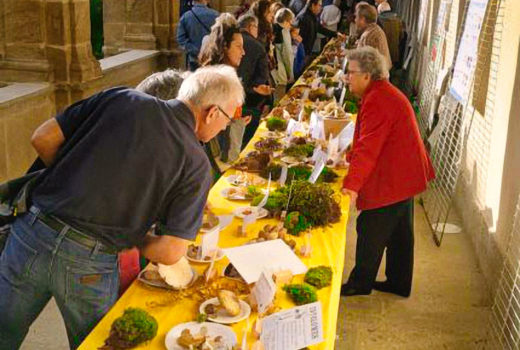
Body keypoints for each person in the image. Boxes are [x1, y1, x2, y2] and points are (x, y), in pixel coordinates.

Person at [0, 65, 243, 349]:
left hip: (32, 232)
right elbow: (170, 251)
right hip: (91, 260)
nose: (226, 126)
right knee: (98, 344)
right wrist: (132, 233)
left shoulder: (122, 98)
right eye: (228, 118)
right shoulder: (196, 163)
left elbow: (42, 138)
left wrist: (76, 179)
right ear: (212, 112)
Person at [339, 47, 435, 297]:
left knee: (371, 226)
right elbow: (370, 140)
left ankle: (360, 283)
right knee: (400, 232)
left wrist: (352, 185)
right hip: (405, 170)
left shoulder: (378, 99)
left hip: (397, 173)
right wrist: (351, 153)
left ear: (367, 75)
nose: (346, 77)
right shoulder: (379, 93)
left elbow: (369, 148)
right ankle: (398, 282)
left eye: (350, 73)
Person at [199, 14, 249, 163]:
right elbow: (207, 124)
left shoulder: (227, 73)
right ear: (224, 47)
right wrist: (233, 122)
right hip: (215, 156)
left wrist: (237, 120)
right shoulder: (214, 80)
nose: (243, 52)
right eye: (238, 47)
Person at [237, 14, 273, 147]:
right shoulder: (257, 46)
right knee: (246, 143)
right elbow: (261, 78)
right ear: (251, 27)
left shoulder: (229, 41)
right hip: (251, 102)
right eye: (256, 27)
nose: (242, 52)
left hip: (233, 101)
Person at [177, 0, 219, 71]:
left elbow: (181, 39)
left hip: (194, 59)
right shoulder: (216, 15)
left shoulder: (186, 16)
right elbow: (221, 36)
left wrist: (196, 51)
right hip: (211, 57)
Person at [355, 3, 392, 69]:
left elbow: (365, 66)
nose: (355, 20)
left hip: (376, 76)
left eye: (356, 17)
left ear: (362, 19)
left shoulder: (368, 35)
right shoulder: (375, 28)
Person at [272, 8, 295, 102]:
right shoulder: (283, 31)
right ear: (285, 21)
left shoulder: (273, 27)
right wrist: (290, 73)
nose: (291, 25)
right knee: (281, 100)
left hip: (273, 69)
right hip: (280, 70)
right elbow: (287, 55)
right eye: (290, 22)